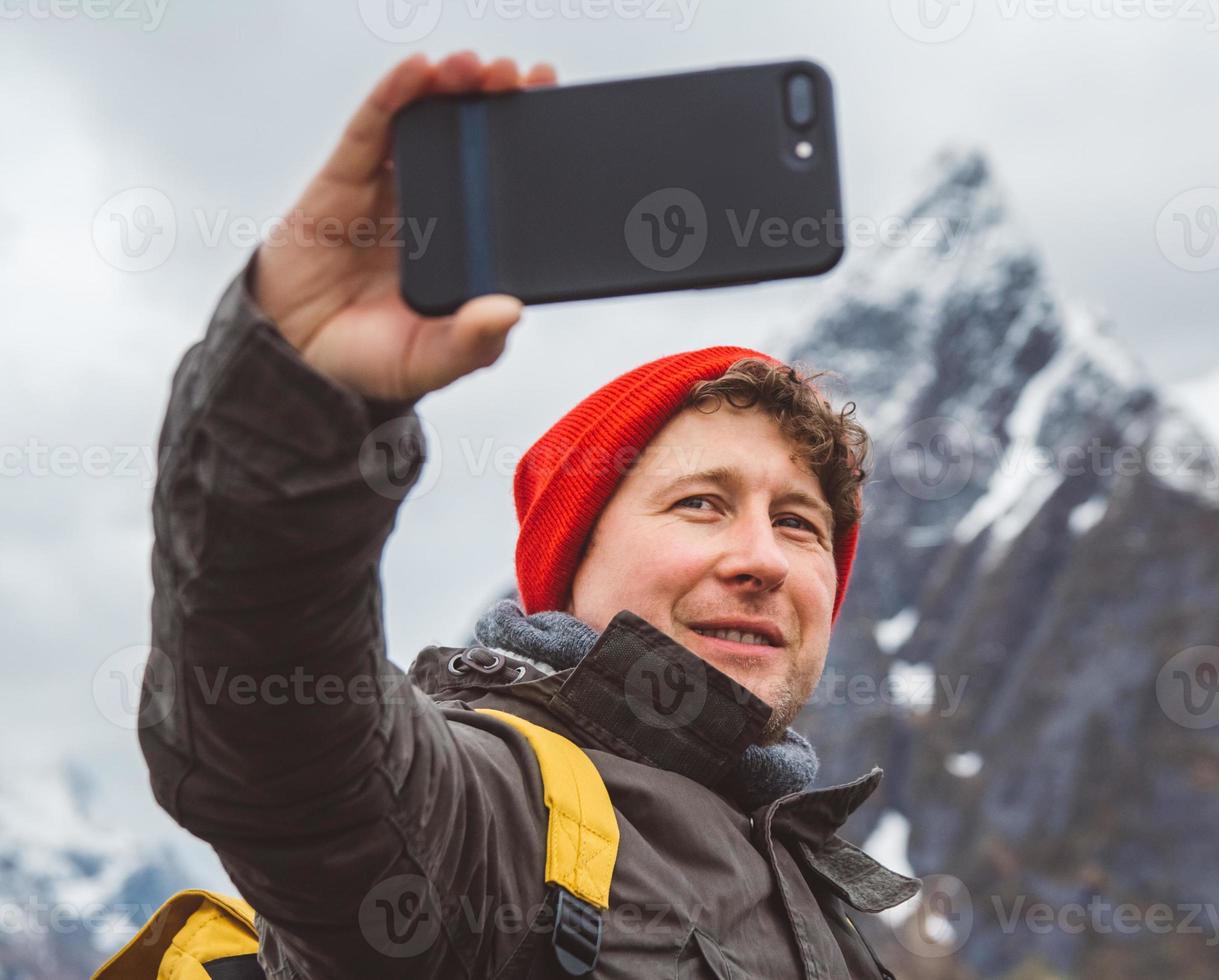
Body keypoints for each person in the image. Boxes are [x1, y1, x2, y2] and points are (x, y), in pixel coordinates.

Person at [141, 51, 916, 978]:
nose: (763, 558)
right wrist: (302, 393)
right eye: (700, 504)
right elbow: (279, 743)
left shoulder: (815, 889)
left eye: (800, 524)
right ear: (569, 560)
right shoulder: (491, 811)